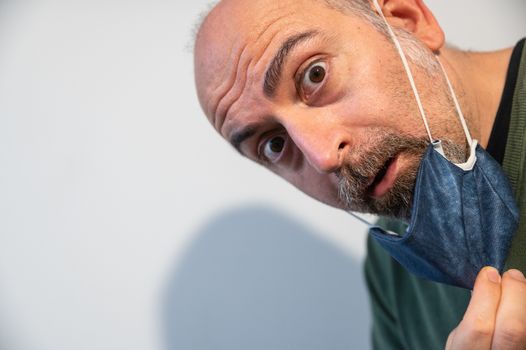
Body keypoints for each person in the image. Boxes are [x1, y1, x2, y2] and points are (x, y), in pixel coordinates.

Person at [193, 0, 526, 348]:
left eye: (314, 75)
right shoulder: (396, 269)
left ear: (406, 19)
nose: (322, 157)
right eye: (274, 144)